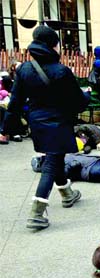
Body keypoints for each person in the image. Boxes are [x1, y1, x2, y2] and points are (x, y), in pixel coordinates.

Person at [1, 25, 90, 229]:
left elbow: (15, 103)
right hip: (58, 123)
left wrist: (4, 129)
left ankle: (67, 194)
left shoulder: (24, 69)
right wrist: (87, 94)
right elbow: (77, 102)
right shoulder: (61, 71)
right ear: (53, 45)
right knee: (51, 162)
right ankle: (37, 213)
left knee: (54, 156)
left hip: (37, 122)